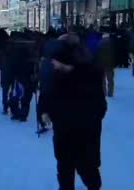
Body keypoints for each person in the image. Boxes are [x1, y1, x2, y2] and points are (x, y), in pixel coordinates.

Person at [39, 34, 107, 190]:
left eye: (55, 61)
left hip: (77, 130)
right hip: (76, 130)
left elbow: (100, 105)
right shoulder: (61, 74)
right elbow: (47, 93)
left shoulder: (86, 74)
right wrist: (45, 110)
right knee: (71, 167)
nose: (53, 64)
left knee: (81, 167)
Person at [95, 32, 116, 97]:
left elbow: (97, 54)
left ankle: (104, 92)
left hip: (101, 64)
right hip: (109, 64)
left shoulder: (99, 43)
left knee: (102, 80)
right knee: (110, 79)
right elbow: (114, 54)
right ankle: (110, 93)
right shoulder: (112, 44)